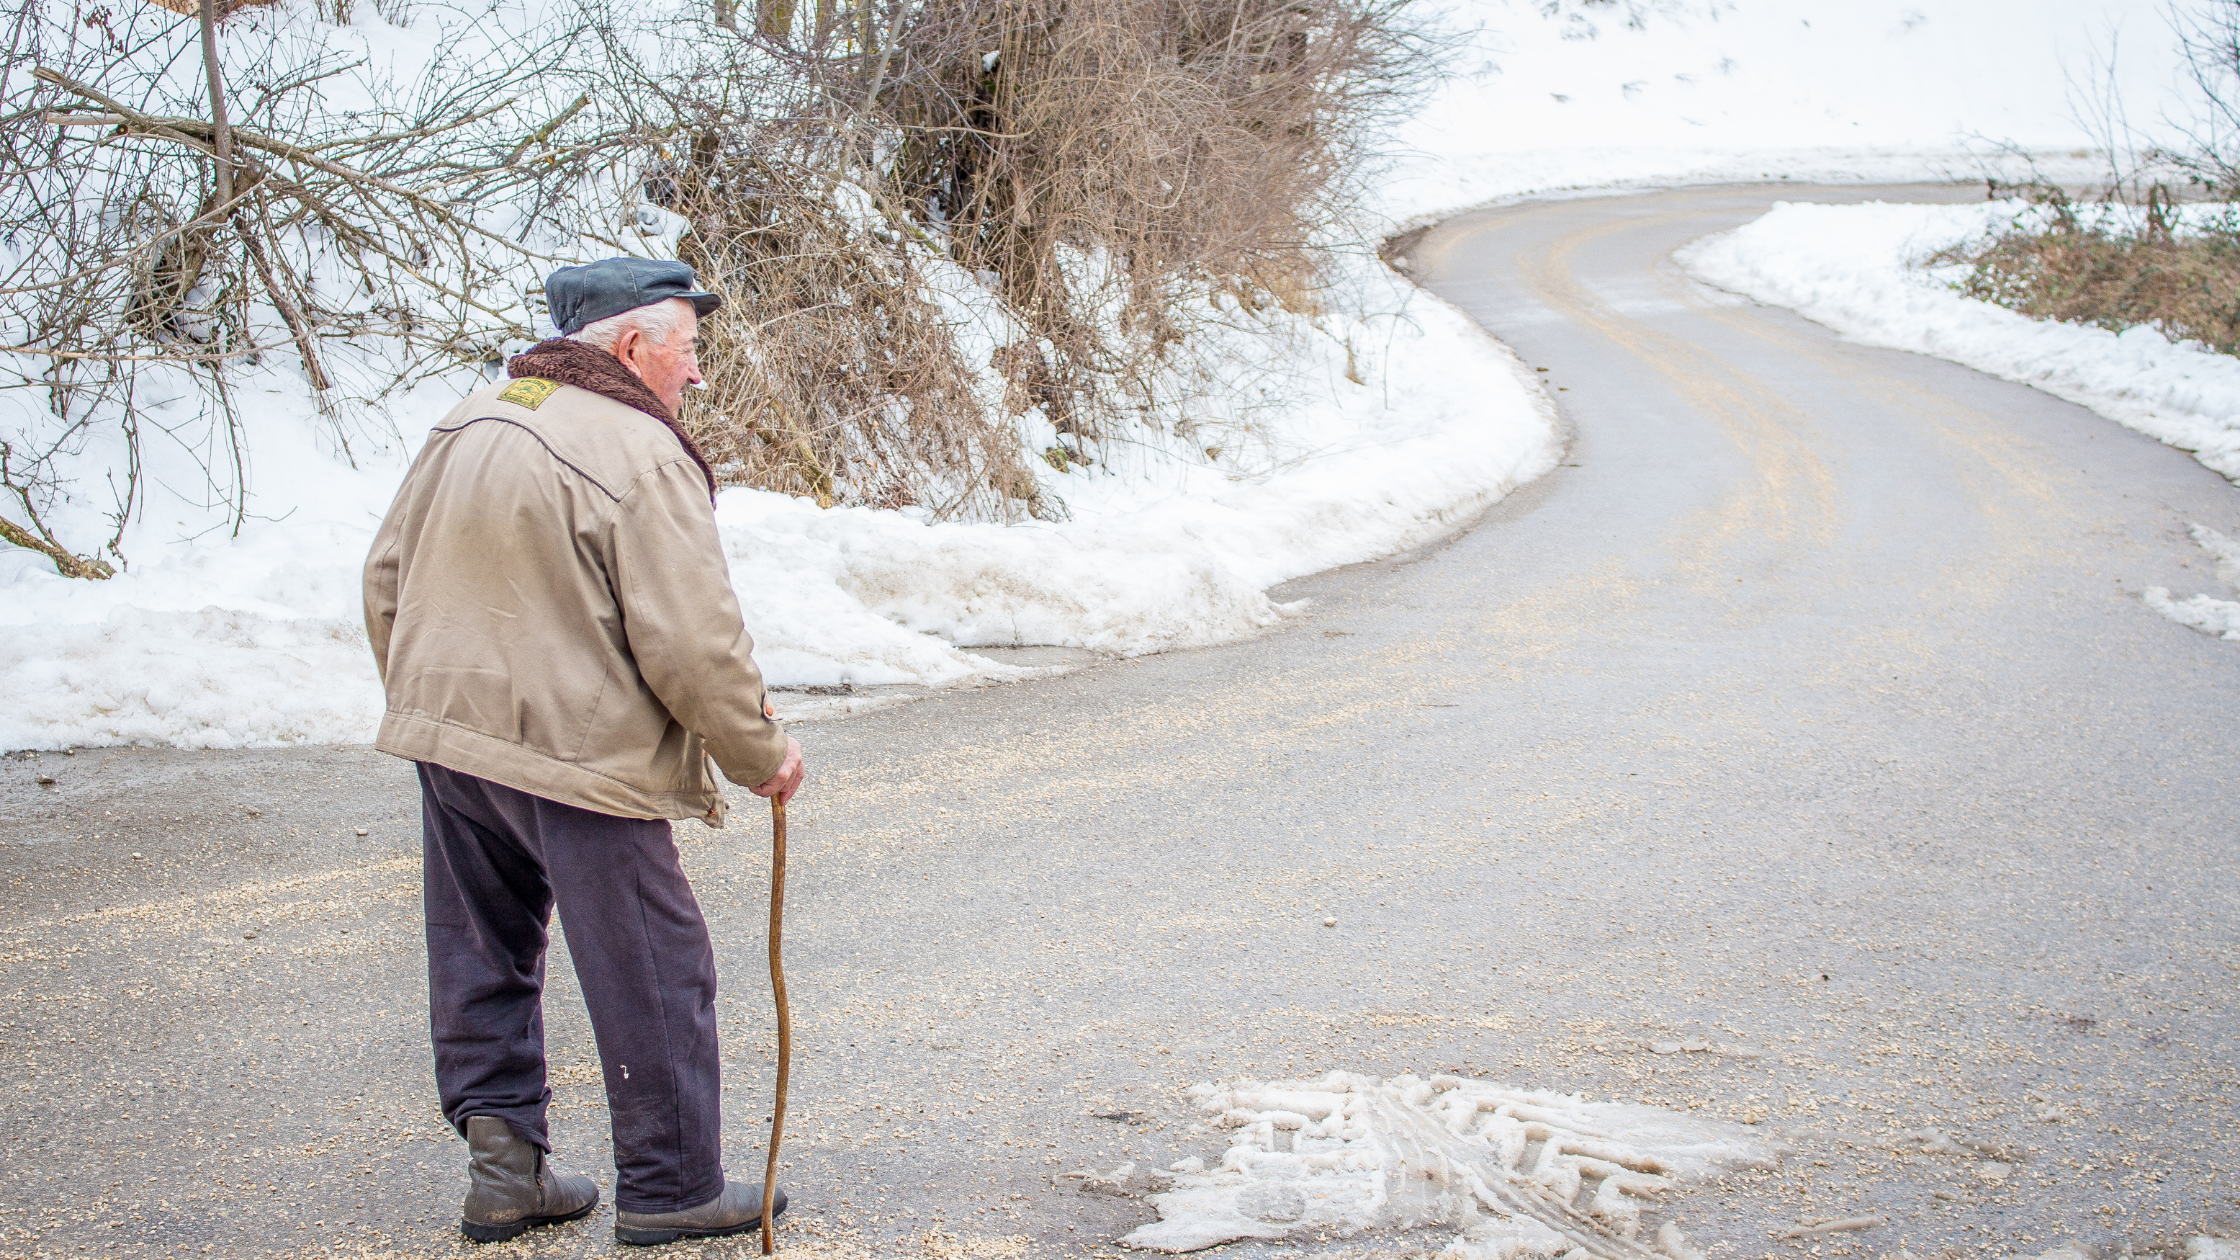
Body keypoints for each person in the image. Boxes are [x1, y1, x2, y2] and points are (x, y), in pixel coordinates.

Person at [363, 257, 805, 1247]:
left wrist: (429, 697)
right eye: (687, 351)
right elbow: (692, 642)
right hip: (575, 752)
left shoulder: (471, 416)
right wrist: (758, 752)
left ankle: (505, 1173)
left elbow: (384, 576)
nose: (695, 377)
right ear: (633, 344)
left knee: (482, 953)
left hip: (452, 734)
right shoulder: (638, 449)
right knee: (655, 965)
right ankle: (673, 1187)